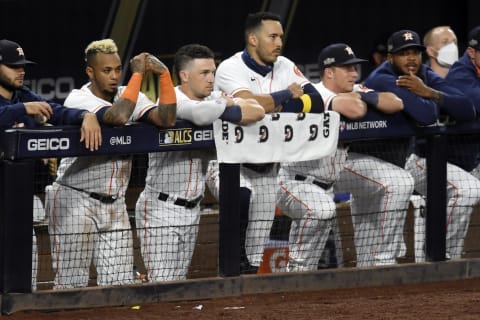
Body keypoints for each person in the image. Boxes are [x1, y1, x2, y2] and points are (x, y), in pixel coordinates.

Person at [46, 38, 176, 289]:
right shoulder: (77, 98)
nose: (114, 76)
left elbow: (166, 119)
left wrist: (165, 76)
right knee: (71, 285)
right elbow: (117, 116)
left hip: (115, 203)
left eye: (118, 69)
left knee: (120, 286)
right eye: (107, 71)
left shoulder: (128, 93)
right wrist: (138, 75)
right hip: (75, 200)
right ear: (90, 72)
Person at [207, 11, 325, 273]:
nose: (278, 43)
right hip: (230, 165)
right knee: (240, 199)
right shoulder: (230, 67)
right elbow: (252, 105)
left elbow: (316, 102)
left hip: (268, 170)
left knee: (253, 256)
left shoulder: (284, 64)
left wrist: (279, 104)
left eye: (280, 37)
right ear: (252, 39)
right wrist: (285, 96)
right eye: (272, 36)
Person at [135, 43, 264, 281]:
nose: (211, 79)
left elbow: (257, 110)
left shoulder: (212, 98)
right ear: (184, 75)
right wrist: (227, 104)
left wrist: (220, 105)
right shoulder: (171, 99)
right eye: (204, 73)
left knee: (180, 284)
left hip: (192, 209)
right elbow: (199, 114)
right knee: (162, 285)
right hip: (160, 209)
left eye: (212, 72)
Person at [365, 29, 480, 261]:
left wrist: (429, 92)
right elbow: (426, 115)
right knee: (368, 244)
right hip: (381, 161)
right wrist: (433, 98)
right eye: (403, 53)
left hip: (402, 162)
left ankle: (446, 255)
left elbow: (467, 109)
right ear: (390, 58)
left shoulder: (424, 75)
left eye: (415, 52)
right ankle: (440, 256)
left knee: (369, 244)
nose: (411, 59)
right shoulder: (382, 78)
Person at [0, 39, 102, 290]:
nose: (20, 70)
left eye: (22, 65)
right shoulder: (21, 102)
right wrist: (22, 109)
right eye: (13, 66)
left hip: (16, 202)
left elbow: (56, 111)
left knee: (24, 280)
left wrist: (85, 115)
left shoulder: (22, 95)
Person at [310, 43, 411, 267]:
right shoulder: (314, 91)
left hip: (342, 163)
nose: (354, 73)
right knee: (399, 182)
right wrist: (360, 97)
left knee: (388, 188)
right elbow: (356, 110)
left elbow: (396, 102)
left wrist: (363, 95)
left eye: (355, 68)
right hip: (309, 169)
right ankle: (382, 258)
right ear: (329, 72)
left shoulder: (355, 89)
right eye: (347, 68)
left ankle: (373, 266)